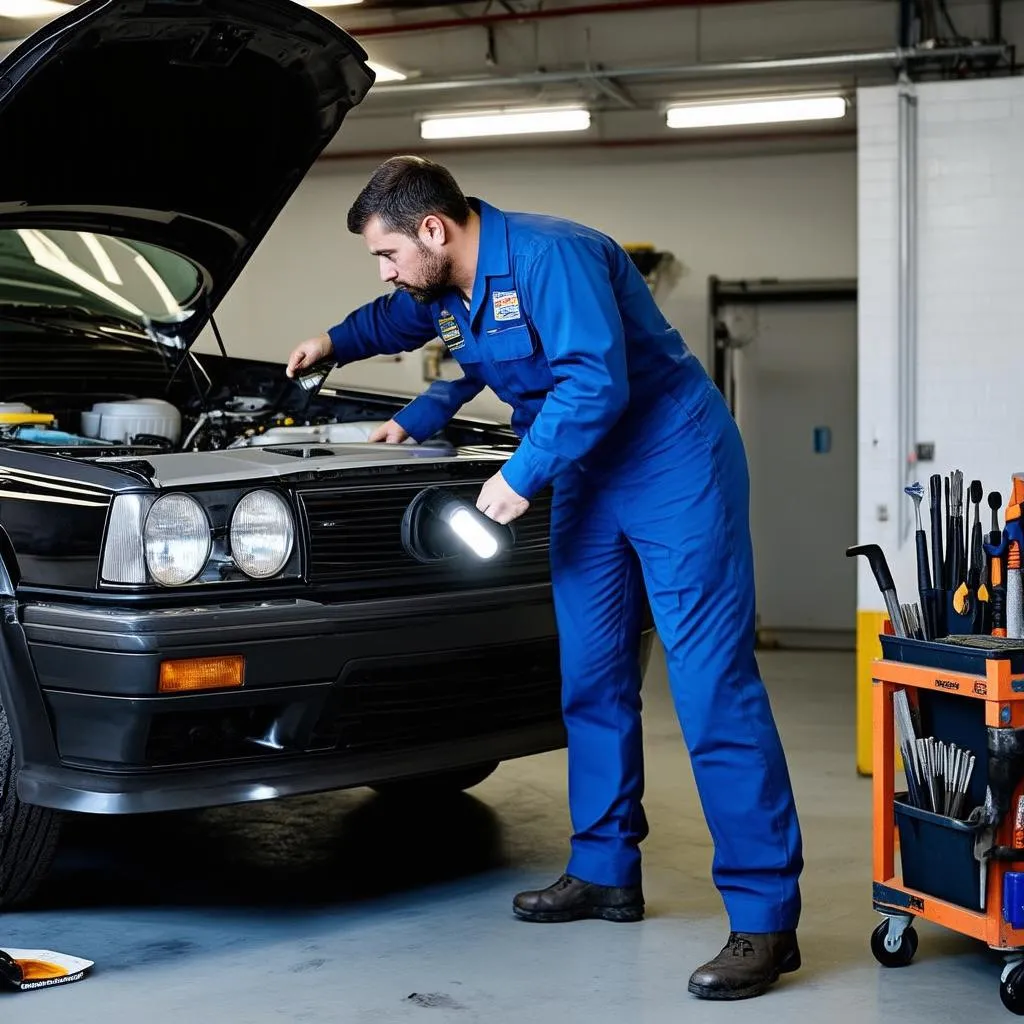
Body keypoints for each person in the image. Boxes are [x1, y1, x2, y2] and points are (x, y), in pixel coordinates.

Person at [286, 156, 804, 1001]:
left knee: (712, 686)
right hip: (588, 475)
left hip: (672, 463)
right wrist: (333, 343)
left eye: (385, 254)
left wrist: (520, 476)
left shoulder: (553, 256)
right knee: (591, 679)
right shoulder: (445, 288)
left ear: (432, 229)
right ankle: (605, 873)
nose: (383, 272)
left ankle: (764, 920)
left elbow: (596, 380)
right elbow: (410, 327)